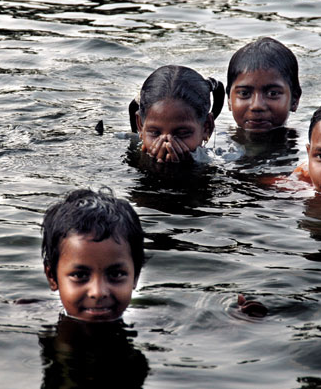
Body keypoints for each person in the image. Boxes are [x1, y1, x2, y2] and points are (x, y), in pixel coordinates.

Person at [41, 188, 145, 322]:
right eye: (80, 275)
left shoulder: (157, 326)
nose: (98, 293)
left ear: (136, 275)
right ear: (52, 277)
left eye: (116, 274)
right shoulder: (27, 317)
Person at [129, 65, 224, 163]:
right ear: (140, 125)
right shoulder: (128, 160)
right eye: (155, 133)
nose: (167, 145)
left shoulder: (226, 160)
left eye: (182, 133)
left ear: (207, 128)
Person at [226, 37, 301, 134]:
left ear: (294, 100)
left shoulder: (313, 143)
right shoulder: (212, 139)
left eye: (272, 93)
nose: (257, 106)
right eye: (244, 93)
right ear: (229, 100)